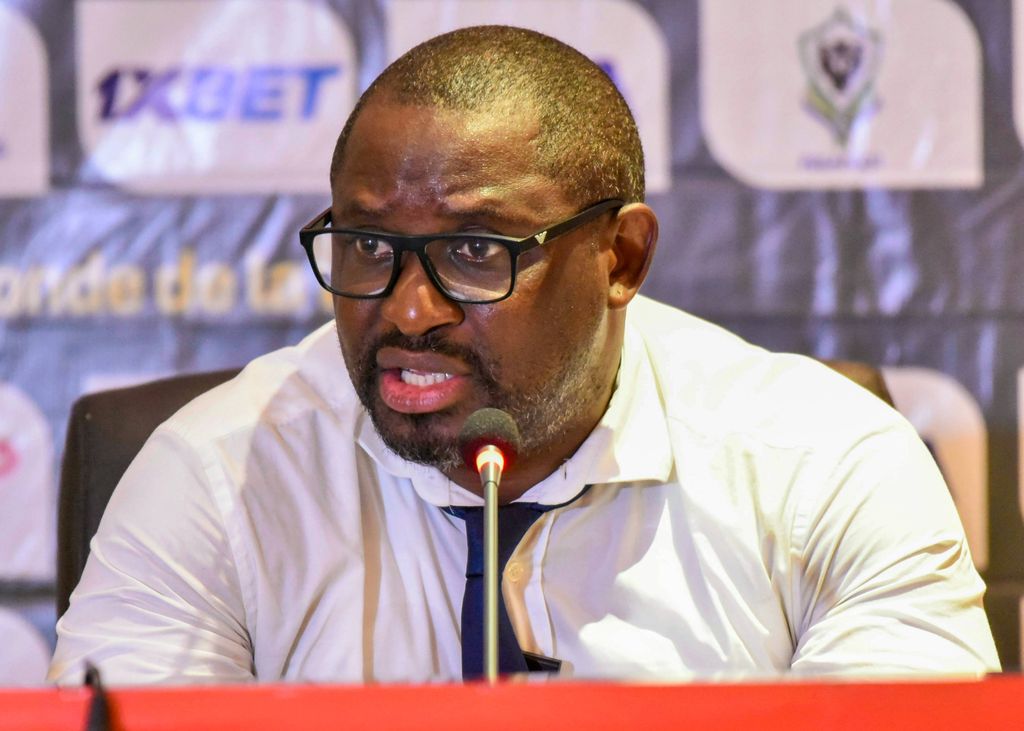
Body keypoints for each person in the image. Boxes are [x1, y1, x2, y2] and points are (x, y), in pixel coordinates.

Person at [49, 25, 999, 685]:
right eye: (369, 247)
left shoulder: (827, 465)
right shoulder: (215, 474)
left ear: (621, 257)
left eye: (476, 253)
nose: (409, 311)